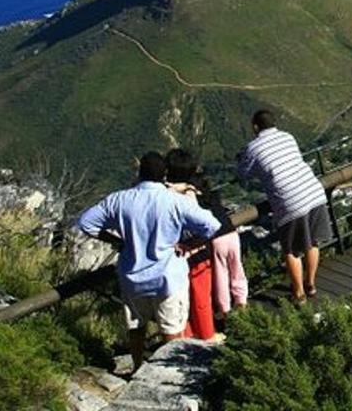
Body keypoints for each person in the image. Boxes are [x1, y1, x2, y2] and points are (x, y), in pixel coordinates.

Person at [77, 151, 221, 367]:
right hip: (168, 277)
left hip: (132, 276)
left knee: (136, 327)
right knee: (172, 331)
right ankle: (171, 372)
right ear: (164, 175)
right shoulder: (175, 201)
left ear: (139, 173)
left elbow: (86, 223)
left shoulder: (119, 199)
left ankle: (137, 366)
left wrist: (115, 241)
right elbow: (212, 226)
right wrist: (190, 245)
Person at [236, 109, 333, 303]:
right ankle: (310, 284)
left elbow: (243, 173)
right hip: (313, 191)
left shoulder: (253, 148)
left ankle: (298, 294)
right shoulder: (288, 137)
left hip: (290, 202)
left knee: (291, 250)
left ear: (255, 127)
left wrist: (240, 158)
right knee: (312, 242)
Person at [166, 149, 246, 335]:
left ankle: (225, 313)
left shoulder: (183, 194)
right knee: (237, 272)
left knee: (221, 277)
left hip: (214, 239)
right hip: (232, 234)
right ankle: (242, 304)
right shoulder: (205, 189)